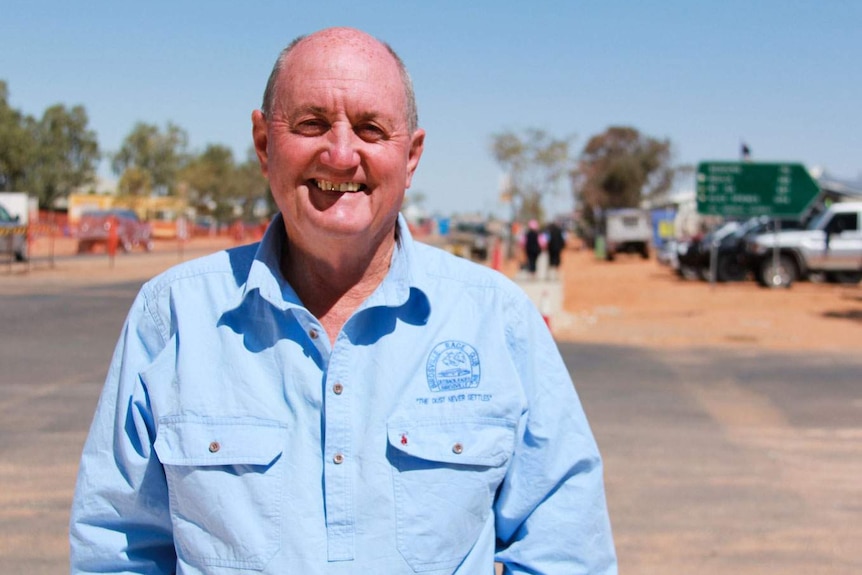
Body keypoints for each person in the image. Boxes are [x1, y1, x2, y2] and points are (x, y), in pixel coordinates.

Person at [70, 27, 617, 574]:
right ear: (264, 145)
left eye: (370, 129)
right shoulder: (172, 318)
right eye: (310, 124)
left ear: (411, 156)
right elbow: (118, 550)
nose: (339, 153)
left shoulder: (496, 320)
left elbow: (564, 548)